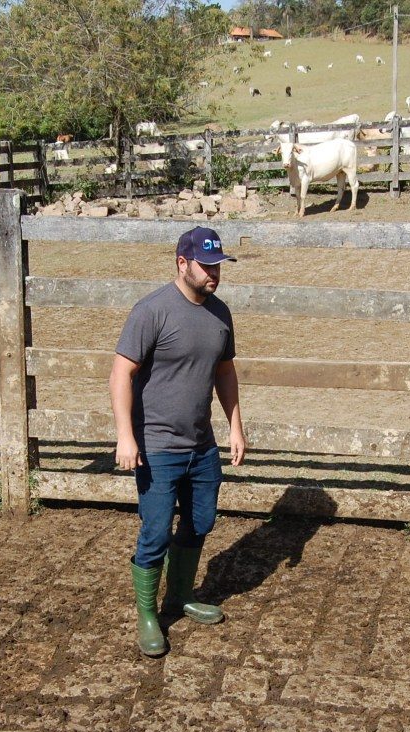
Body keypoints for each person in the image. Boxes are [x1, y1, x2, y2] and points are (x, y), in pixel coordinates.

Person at [109, 226, 247, 657]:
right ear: (182, 263)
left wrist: (236, 427)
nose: (214, 275)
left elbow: (224, 371)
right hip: (157, 447)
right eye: (206, 266)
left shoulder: (220, 314)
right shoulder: (152, 311)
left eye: (218, 267)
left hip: (201, 446)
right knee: (154, 532)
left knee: (201, 521)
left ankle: (180, 595)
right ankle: (148, 615)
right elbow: (120, 374)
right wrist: (126, 437)